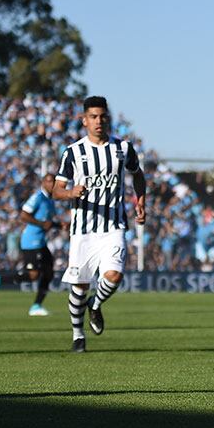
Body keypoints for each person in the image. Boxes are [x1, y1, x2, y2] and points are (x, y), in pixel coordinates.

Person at [52, 96, 146, 353]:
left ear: (108, 119)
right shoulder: (73, 152)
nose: (98, 121)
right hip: (82, 231)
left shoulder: (123, 149)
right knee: (79, 285)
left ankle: (95, 305)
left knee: (114, 276)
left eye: (102, 116)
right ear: (84, 120)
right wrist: (71, 193)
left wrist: (141, 201)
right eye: (93, 116)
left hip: (113, 227)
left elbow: (138, 175)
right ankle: (77, 335)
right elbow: (56, 190)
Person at [18, 173, 59, 317]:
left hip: (41, 241)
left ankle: (37, 305)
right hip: (31, 241)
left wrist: (60, 225)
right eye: (48, 181)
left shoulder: (51, 200)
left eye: (53, 181)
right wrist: (42, 224)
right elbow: (23, 215)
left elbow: (48, 222)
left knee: (48, 272)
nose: (51, 184)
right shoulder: (38, 197)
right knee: (33, 275)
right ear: (43, 183)